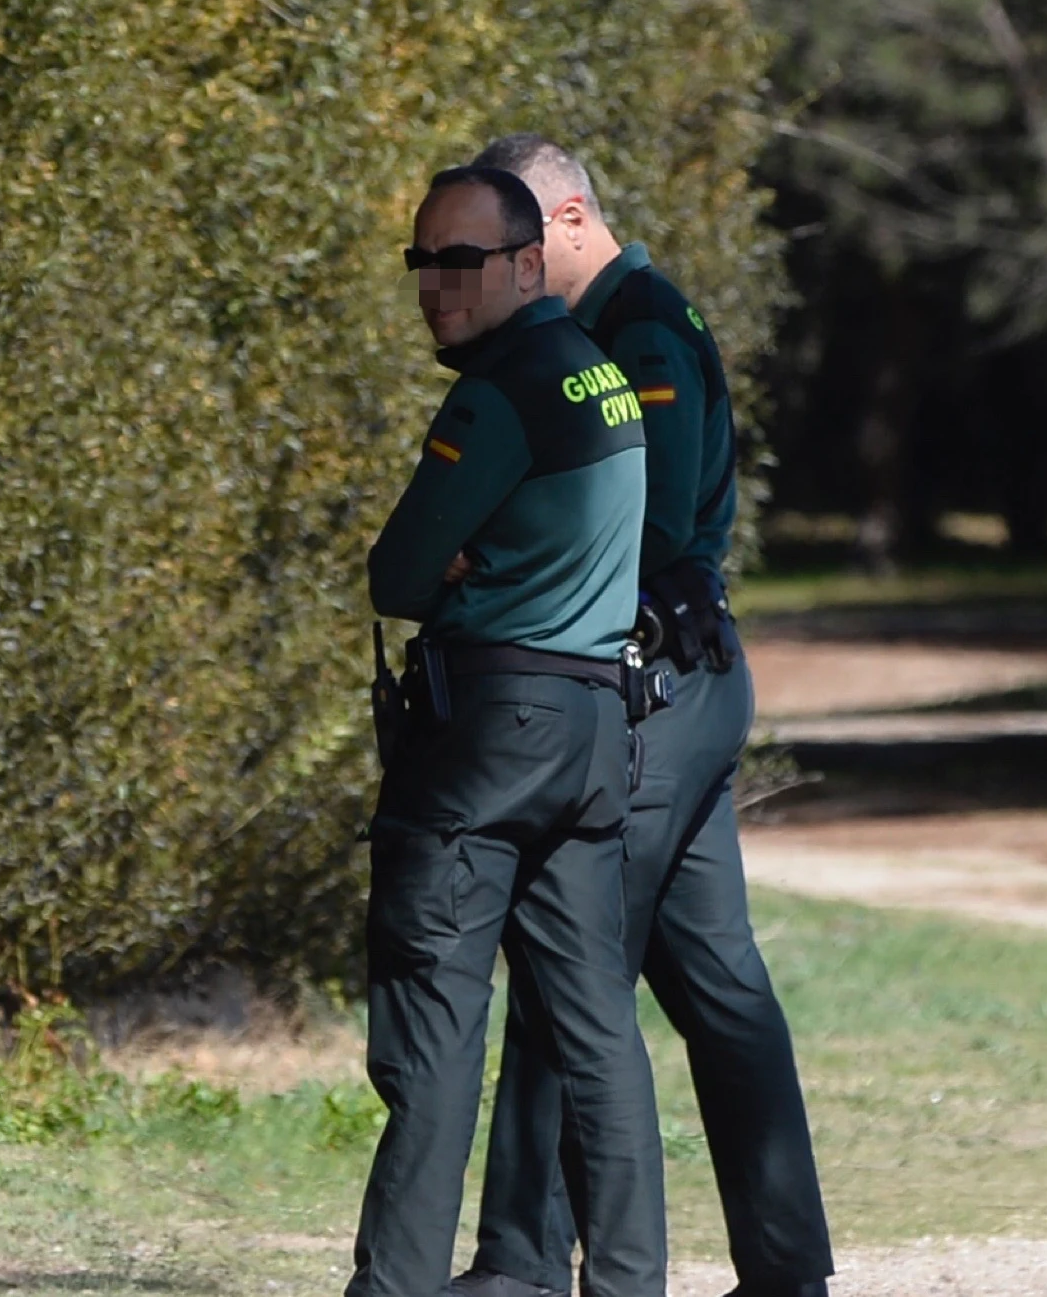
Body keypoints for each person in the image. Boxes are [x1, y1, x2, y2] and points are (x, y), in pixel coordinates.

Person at [461, 136, 831, 1297]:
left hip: (655, 684)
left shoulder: (641, 328)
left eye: (522, 239)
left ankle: (523, 1257)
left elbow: (654, 527)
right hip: (678, 682)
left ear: (569, 218)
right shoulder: (600, 332)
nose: (511, 266)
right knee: (718, 981)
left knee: (570, 955)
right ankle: (786, 1269)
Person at [351, 165, 666, 1297]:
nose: (438, 286)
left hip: (487, 734)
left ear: (529, 263)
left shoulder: (497, 391)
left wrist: (452, 563)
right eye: (423, 259)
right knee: (596, 1031)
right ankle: (630, 1281)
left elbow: (394, 571)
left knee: (433, 1033)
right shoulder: (604, 375)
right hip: (591, 732)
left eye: (463, 261)